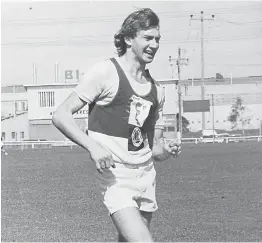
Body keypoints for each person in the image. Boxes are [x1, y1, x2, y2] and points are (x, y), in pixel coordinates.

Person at [52, 8, 181, 242]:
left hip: (146, 177)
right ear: (129, 38)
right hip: (116, 178)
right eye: (148, 38)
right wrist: (93, 147)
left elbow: (154, 149)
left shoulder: (157, 91)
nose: (155, 44)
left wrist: (167, 151)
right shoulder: (106, 73)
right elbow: (61, 115)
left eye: (157, 39)